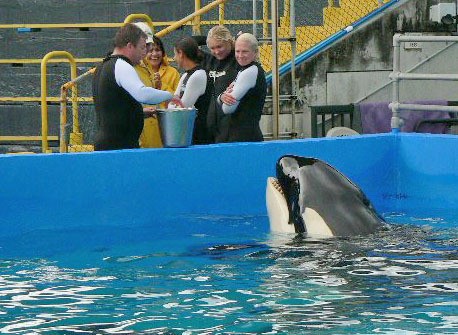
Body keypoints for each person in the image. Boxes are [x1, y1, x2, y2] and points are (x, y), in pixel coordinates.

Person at [92, 23, 181, 151]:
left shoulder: (103, 66)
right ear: (129, 46)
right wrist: (170, 96)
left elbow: (112, 107)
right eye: (142, 48)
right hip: (119, 146)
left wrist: (138, 113)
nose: (144, 53)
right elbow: (142, 94)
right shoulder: (122, 65)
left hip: (109, 143)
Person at [134, 22, 180, 148]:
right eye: (151, 50)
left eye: (158, 50)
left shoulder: (173, 73)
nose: (154, 54)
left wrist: (161, 86)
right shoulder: (137, 70)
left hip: (165, 122)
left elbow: (176, 99)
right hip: (144, 125)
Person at [218, 33, 266, 142]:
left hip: (244, 136)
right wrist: (222, 97)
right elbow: (225, 99)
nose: (240, 55)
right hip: (242, 135)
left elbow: (227, 108)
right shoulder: (244, 70)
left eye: (245, 51)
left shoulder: (249, 72)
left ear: (255, 52)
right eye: (237, 51)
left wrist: (223, 99)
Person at [200, 25, 239, 143]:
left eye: (219, 46)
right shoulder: (210, 60)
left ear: (229, 42)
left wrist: (238, 42)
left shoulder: (238, 59)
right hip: (212, 125)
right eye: (212, 48)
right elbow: (190, 42)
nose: (216, 51)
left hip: (232, 126)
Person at [170, 37, 211, 144]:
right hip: (188, 130)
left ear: (181, 54)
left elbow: (183, 106)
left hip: (200, 133)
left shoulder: (199, 75)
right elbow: (173, 102)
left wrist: (174, 104)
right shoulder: (185, 75)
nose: (174, 58)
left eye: (175, 54)